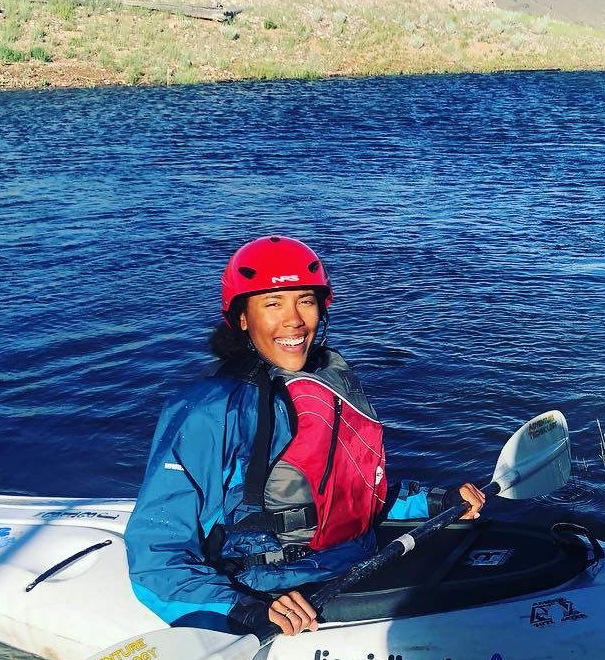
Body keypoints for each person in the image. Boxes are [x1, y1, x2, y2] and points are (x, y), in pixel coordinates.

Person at [126, 235, 485, 638]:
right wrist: (244, 609)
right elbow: (157, 554)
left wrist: (435, 501)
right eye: (273, 303)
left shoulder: (325, 387)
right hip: (273, 592)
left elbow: (351, 492)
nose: (294, 319)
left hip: (356, 561)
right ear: (242, 318)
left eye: (306, 301)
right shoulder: (208, 411)